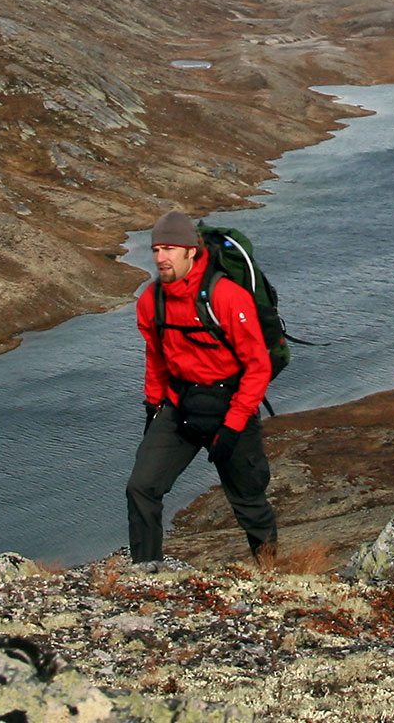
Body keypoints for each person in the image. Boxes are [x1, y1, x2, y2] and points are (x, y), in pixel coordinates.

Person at [126, 210, 278, 569]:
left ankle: (271, 577)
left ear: (191, 251)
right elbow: (156, 357)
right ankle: (146, 573)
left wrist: (234, 425)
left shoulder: (227, 297)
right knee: (141, 487)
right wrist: (153, 407)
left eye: (170, 249)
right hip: (181, 406)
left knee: (249, 503)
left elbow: (258, 366)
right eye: (156, 249)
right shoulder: (152, 300)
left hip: (230, 406)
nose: (161, 257)